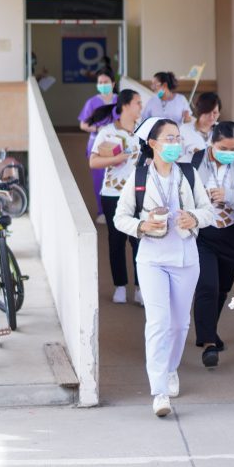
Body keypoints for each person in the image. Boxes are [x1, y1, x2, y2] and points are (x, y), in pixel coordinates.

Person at [114, 117, 215, 418]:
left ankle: (171, 369)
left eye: (177, 138)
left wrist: (194, 218)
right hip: (152, 259)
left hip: (185, 258)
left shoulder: (189, 173)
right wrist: (142, 225)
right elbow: (120, 217)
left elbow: (209, 211)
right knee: (158, 323)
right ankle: (159, 392)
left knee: (180, 324)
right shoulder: (138, 177)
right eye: (169, 138)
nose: (176, 143)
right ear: (153, 144)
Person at [190, 121, 234, 368]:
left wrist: (229, 196)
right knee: (207, 285)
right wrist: (202, 199)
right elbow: (183, 192)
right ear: (212, 142)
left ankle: (210, 330)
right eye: (223, 148)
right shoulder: (195, 161)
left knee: (221, 289)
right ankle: (208, 343)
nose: (229, 153)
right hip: (203, 233)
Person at [88, 89, 144, 305]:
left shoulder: (143, 131)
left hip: (139, 194)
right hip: (112, 194)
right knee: (116, 240)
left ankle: (140, 288)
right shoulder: (107, 132)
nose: (141, 107)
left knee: (139, 240)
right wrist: (116, 159)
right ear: (126, 105)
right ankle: (120, 286)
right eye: (138, 102)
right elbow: (93, 162)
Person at [79, 68, 118, 219]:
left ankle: (119, 211)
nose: (103, 85)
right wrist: (98, 128)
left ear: (113, 83)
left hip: (118, 144)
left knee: (118, 176)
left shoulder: (120, 101)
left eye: (105, 82)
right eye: (100, 82)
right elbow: (83, 124)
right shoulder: (92, 102)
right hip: (97, 144)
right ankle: (102, 211)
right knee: (99, 179)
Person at [178, 92, 221, 163]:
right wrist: (193, 155)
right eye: (208, 112)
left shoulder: (222, 130)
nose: (211, 117)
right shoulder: (184, 130)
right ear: (200, 111)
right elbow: (177, 157)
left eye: (215, 113)